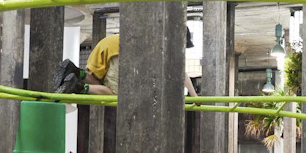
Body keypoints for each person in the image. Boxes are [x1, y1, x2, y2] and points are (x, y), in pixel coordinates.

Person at [52, 32, 198, 97]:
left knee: (97, 82)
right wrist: (195, 97)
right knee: (116, 94)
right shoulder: (166, 49)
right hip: (119, 52)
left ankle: (75, 72)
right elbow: (182, 73)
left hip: (108, 43)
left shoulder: (154, 36)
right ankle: (75, 86)